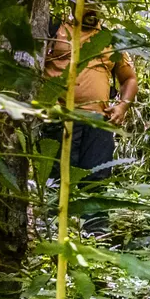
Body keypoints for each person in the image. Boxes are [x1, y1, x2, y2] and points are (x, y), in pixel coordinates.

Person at [42, 17, 138, 232]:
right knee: (56, 177)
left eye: (96, 6)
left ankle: (96, 234)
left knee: (96, 178)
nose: (91, 10)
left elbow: (129, 78)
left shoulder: (109, 38)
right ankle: (51, 234)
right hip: (58, 118)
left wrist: (122, 106)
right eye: (86, 4)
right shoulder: (53, 29)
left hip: (97, 120)